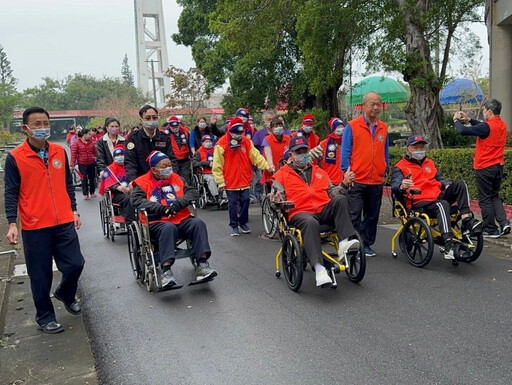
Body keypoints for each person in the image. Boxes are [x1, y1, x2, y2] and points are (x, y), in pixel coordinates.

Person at [4, 107, 84, 334]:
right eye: (37, 124)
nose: (42, 128)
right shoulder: (15, 158)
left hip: (63, 221)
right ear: (26, 129)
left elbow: (68, 184)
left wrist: (74, 210)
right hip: (35, 226)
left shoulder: (60, 151)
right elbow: (10, 192)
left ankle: (66, 294)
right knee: (40, 275)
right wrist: (12, 222)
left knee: (76, 264)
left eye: (45, 123)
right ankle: (45, 316)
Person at [271, 136, 359, 287]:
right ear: (291, 155)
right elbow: (276, 199)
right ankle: (319, 269)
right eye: (298, 152)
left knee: (341, 200)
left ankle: (344, 242)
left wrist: (344, 184)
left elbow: (333, 192)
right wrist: (276, 200)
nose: (302, 154)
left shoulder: (320, 172)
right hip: (300, 213)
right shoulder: (281, 174)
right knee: (310, 222)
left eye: (305, 151)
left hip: (323, 209)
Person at [131, 151, 217, 289]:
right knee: (168, 228)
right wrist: (161, 208)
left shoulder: (176, 178)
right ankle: (166, 273)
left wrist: (178, 204)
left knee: (197, 223)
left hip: (180, 217)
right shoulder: (142, 182)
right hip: (156, 222)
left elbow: (193, 192)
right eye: (164, 166)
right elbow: (136, 200)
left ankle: (202, 264)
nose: (168, 168)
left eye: (170, 165)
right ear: (153, 169)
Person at [391, 135, 483, 259]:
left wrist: (446, 185)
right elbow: (395, 186)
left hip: (436, 195)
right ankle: (448, 243)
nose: (419, 150)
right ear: (408, 149)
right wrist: (402, 186)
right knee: (442, 204)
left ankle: (466, 220)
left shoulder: (430, 163)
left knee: (460, 184)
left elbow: (439, 179)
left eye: (422, 147)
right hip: (418, 201)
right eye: (416, 147)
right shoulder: (400, 167)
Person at [454, 99, 511, 238]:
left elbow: (463, 131)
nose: (483, 113)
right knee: (494, 196)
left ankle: (490, 228)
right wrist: (469, 119)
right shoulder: (501, 124)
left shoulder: (487, 127)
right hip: (498, 165)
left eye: (484, 110)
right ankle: (504, 223)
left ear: (490, 112)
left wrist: (456, 120)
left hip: (485, 166)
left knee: (485, 199)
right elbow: (481, 127)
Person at [341, 91, 389, 257]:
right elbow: (346, 151)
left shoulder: (384, 127)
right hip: (357, 179)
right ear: (364, 106)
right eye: (372, 104)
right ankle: (355, 243)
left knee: (372, 214)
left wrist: (385, 167)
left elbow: (385, 151)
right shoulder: (352, 126)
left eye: (378, 104)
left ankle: (367, 244)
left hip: (376, 180)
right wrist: (346, 171)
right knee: (354, 213)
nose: (376, 107)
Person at [212, 117, 273, 236]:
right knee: (232, 204)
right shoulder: (221, 144)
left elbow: (256, 157)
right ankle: (234, 225)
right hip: (230, 181)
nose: (238, 135)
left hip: (245, 179)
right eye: (236, 133)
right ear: (230, 131)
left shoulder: (246, 142)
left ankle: (243, 222)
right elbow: (217, 165)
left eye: (240, 132)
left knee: (246, 201)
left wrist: (267, 166)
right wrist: (221, 182)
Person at [124, 105, 176, 183]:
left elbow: (172, 159)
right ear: (141, 120)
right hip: (141, 180)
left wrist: (173, 176)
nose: (151, 120)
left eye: (154, 118)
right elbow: (130, 162)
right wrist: (133, 181)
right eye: (148, 118)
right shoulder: (133, 138)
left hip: (162, 179)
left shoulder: (164, 137)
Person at [99, 145, 135, 222]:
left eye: (122, 155)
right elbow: (108, 183)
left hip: (131, 190)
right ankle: (130, 221)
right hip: (116, 194)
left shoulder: (130, 167)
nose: (120, 157)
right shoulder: (109, 169)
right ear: (114, 158)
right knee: (128, 199)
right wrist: (117, 187)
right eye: (118, 155)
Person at [192, 135, 227, 207]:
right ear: (202, 143)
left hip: (217, 172)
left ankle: (225, 196)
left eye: (210, 141)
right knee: (211, 179)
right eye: (206, 141)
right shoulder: (199, 152)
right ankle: (216, 197)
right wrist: (207, 163)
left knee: (224, 178)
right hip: (204, 173)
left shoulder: (216, 150)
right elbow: (194, 163)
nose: (208, 143)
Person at [310, 117, 346, 185]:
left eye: (342, 126)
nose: (341, 129)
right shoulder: (324, 144)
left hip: (346, 183)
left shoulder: (348, 142)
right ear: (333, 129)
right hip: (329, 183)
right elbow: (310, 156)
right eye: (338, 127)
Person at [251, 110, 276, 203]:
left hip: (279, 163)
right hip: (265, 164)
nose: (271, 121)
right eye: (269, 119)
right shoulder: (259, 134)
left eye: (273, 119)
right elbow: (252, 148)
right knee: (266, 184)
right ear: (264, 122)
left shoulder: (281, 132)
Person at [261, 117, 290, 192]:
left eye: (280, 126)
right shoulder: (267, 140)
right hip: (272, 171)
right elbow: (268, 153)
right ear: (271, 129)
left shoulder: (288, 139)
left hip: (286, 172)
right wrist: (271, 165)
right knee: (273, 193)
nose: (278, 128)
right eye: (275, 126)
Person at [70, 128, 97, 200]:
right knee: (84, 178)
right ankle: (85, 194)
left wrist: (96, 158)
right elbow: (74, 154)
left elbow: (95, 152)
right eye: (88, 134)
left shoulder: (91, 143)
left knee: (92, 178)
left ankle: (92, 192)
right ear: (84, 134)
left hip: (91, 163)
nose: (90, 136)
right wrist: (72, 164)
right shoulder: (77, 143)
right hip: (82, 164)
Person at [166, 116, 192, 185]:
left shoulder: (185, 131)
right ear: (169, 126)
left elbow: (189, 144)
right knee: (175, 177)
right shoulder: (165, 133)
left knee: (186, 177)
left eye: (176, 126)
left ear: (179, 124)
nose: (175, 128)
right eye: (173, 127)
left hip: (185, 159)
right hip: (173, 160)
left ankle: (186, 192)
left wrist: (191, 155)